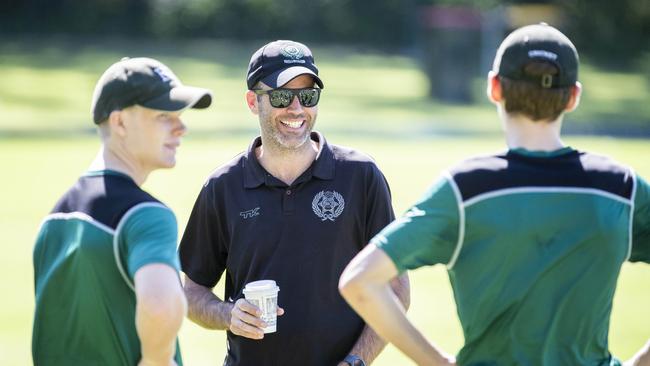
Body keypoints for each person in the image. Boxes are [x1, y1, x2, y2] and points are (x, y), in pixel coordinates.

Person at [339, 23, 650, 366]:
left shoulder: (465, 189)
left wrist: (438, 363)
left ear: (494, 88)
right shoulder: (621, 187)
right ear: (573, 96)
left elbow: (360, 281)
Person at [178, 40, 409, 366]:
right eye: (282, 96)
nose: (297, 108)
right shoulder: (222, 187)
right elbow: (191, 292)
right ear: (252, 101)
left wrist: (356, 361)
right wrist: (227, 314)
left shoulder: (361, 176)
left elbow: (396, 286)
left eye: (308, 96)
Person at [32, 57, 212, 366]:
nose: (181, 127)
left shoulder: (52, 221)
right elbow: (161, 305)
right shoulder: (147, 215)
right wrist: (157, 360)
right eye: (163, 116)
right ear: (120, 123)